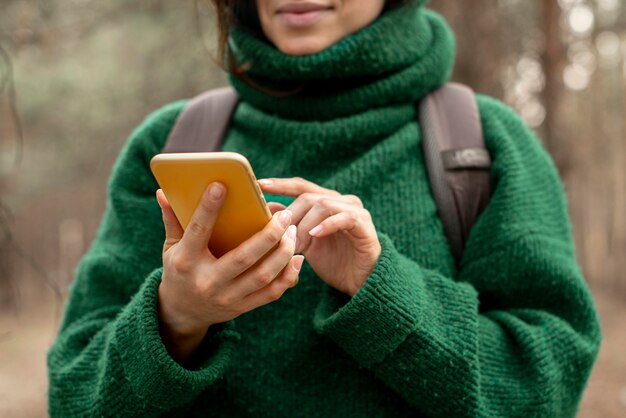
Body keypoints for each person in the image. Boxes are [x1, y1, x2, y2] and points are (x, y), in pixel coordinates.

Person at [47, 0, 601, 416]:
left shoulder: (483, 145)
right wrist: (176, 320)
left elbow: (548, 386)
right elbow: (73, 394)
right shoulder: (172, 143)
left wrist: (382, 293)